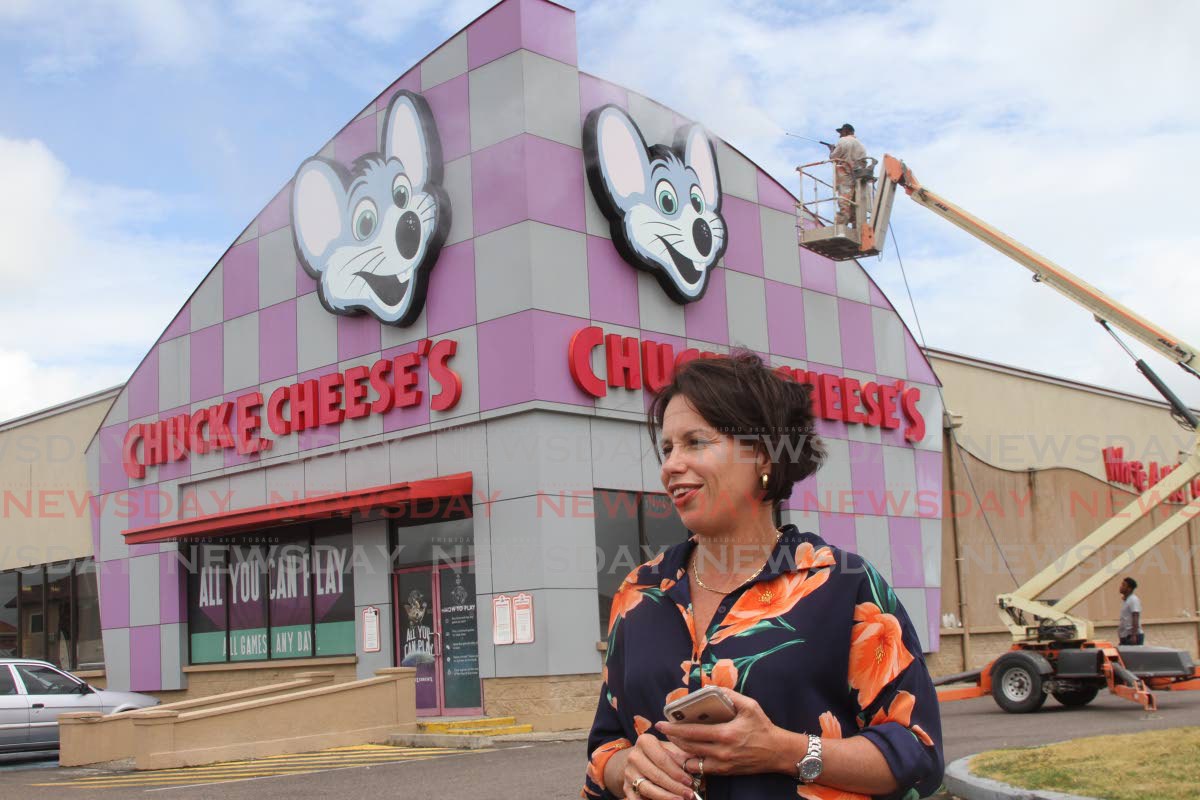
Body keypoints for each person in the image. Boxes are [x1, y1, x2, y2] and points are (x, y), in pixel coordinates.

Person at [583, 352, 943, 800]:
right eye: (668, 448)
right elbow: (605, 747)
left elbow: (918, 753)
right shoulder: (639, 592)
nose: (671, 465)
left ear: (764, 455)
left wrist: (782, 751)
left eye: (696, 442)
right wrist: (630, 769)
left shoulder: (843, 585)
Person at [827, 124, 867, 226]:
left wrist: (832, 150)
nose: (839, 135)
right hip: (858, 178)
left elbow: (833, 157)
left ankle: (841, 226)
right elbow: (864, 162)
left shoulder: (843, 141)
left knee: (844, 201)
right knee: (855, 203)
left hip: (845, 175)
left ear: (846, 131)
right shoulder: (861, 146)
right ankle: (855, 225)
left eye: (841, 133)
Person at [1118, 577, 1144, 646]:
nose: (1120, 587)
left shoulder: (1133, 599)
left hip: (1132, 636)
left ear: (1129, 589)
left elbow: (1135, 616)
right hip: (1126, 636)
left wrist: (1134, 636)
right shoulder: (1127, 600)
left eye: (1123, 585)